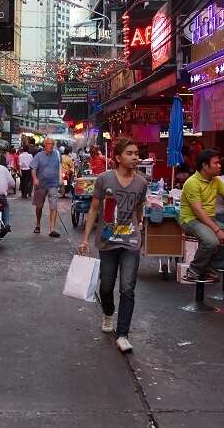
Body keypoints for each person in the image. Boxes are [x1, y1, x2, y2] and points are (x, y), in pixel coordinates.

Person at [79, 137, 148, 353]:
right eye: (129, 153)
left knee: (127, 288)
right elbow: (94, 209)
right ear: (118, 157)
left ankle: (123, 334)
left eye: (136, 153)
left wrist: (139, 233)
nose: (135, 157)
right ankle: (108, 312)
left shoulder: (142, 183)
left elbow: (138, 210)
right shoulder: (104, 179)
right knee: (107, 286)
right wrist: (85, 239)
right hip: (107, 241)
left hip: (130, 242)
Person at [179, 149, 224, 281]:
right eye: (216, 163)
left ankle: (208, 266)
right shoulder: (192, 182)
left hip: (210, 219)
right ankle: (193, 271)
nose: (220, 166)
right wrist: (217, 230)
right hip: (192, 220)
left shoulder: (216, 180)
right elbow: (198, 212)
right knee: (212, 242)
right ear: (205, 166)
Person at [31, 138, 61, 237]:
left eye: (52, 144)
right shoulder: (39, 156)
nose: (51, 145)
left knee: (53, 206)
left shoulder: (57, 154)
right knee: (39, 206)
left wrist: (61, 179)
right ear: (45, 144)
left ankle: (52, 229)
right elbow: (33, 168)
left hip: (53, 184)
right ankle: (38, 224)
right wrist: (35, 179)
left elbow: (60, 167)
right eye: (49, 144)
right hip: (41, 184)